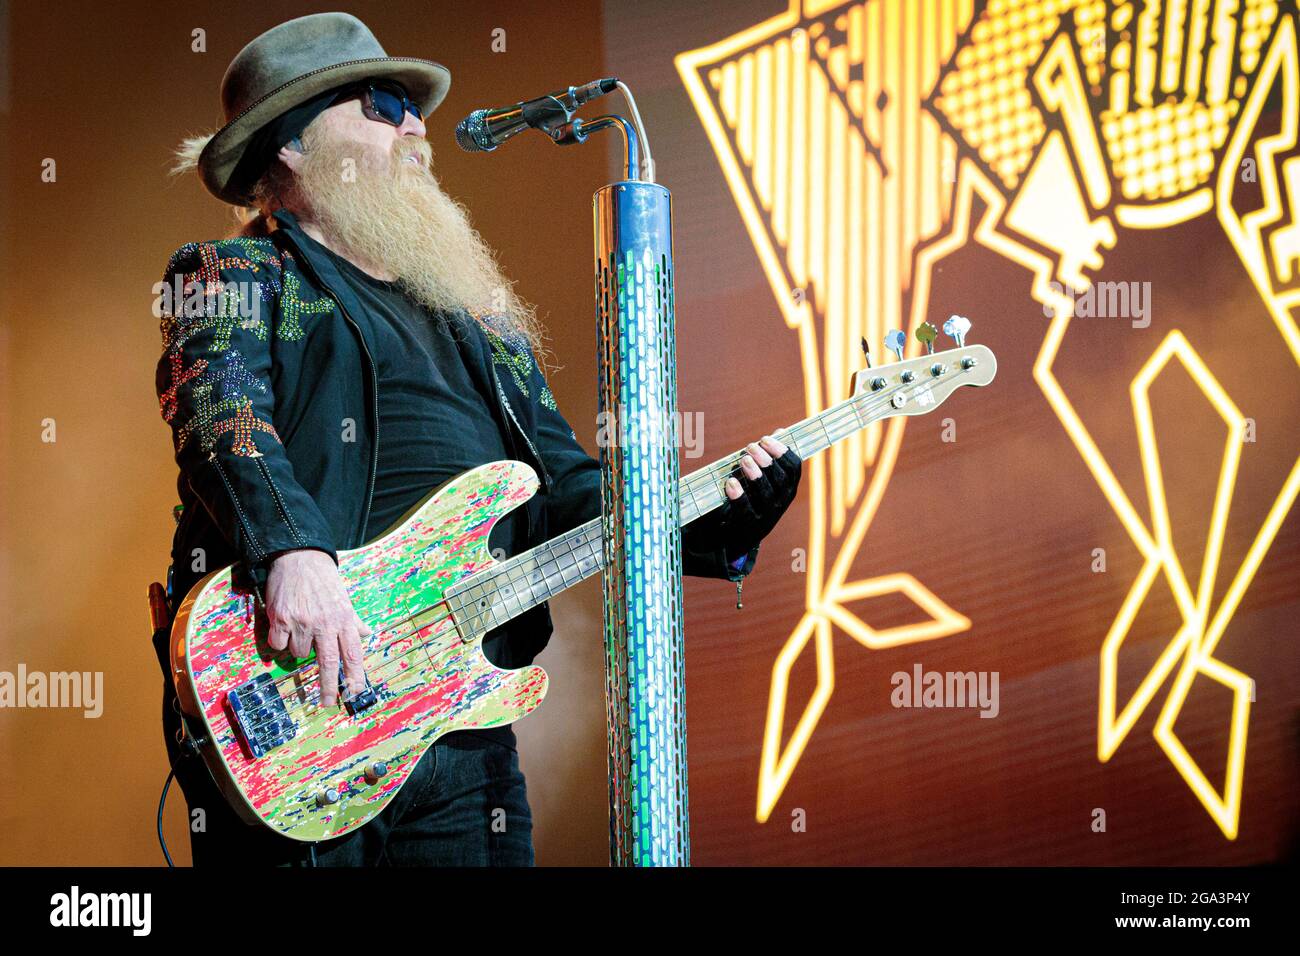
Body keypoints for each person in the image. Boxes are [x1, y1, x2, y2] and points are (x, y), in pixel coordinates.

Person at [153, 12, 802, 866]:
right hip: (300, 693)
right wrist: (294, 553)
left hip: (460, 727)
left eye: (415, 107)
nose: (417, 126)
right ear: (293, 148)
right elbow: (217, 415)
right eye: (383, 105)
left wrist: (713, 518)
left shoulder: (477, 324)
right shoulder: (231, 275)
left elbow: (565, 492)